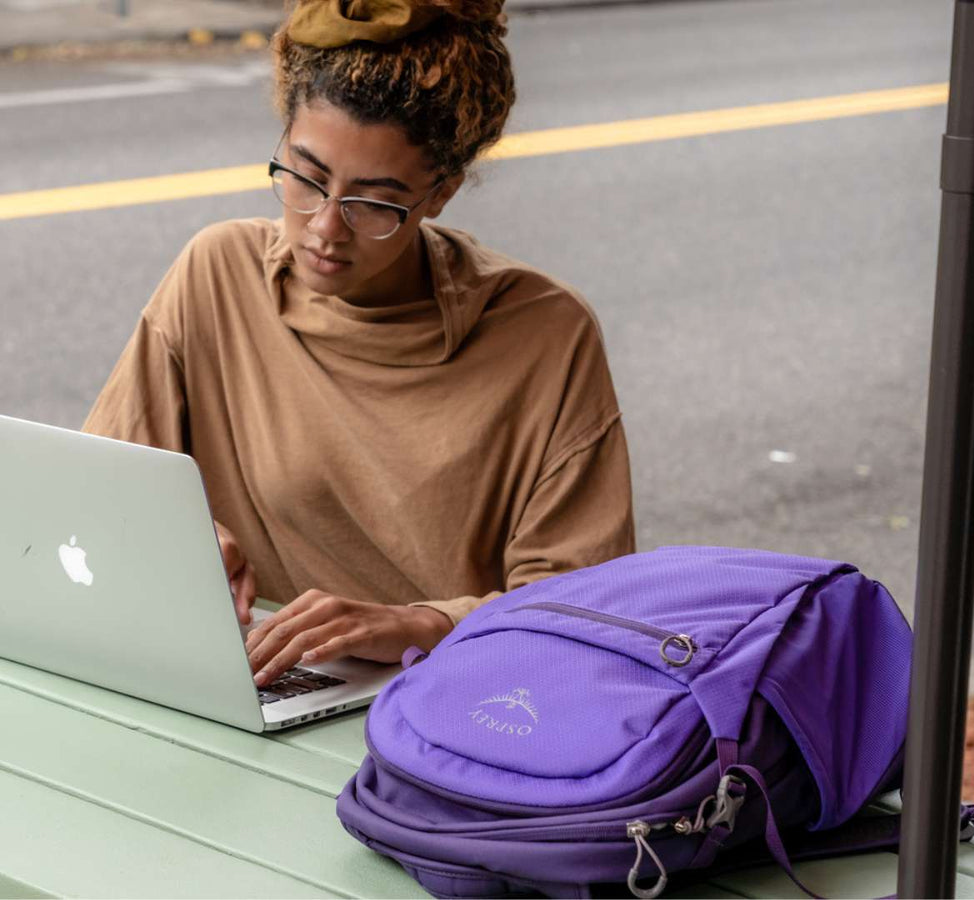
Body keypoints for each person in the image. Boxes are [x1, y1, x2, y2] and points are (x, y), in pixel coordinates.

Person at [83, 0, 635, 691]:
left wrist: (421, 626)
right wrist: (163, 534)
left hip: (449, 710)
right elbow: (93, 491)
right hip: (248, 691)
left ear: (440, 193)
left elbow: (586, 616)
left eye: (374, 203)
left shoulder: (545, 333)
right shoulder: (216, 276)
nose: (323, 229)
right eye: (307, 176)